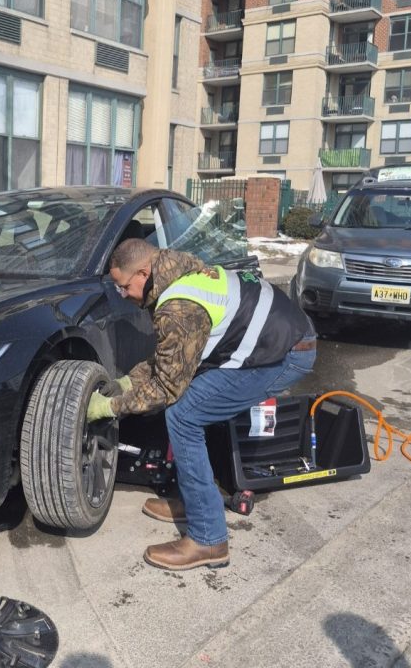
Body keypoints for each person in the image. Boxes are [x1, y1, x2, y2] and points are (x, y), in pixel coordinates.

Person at [87, 239, 316, 571]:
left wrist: (110, 407)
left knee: (183, 415)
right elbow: (173, 356)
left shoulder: (177, 306)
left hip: (286, 353)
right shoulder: (178, 272)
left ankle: (209, 540)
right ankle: (195, 502)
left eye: (124, 287)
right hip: (279, 337)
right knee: (190, 402)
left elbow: (166, 386)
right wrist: (128, 381)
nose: (123, 295)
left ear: (144, 272)